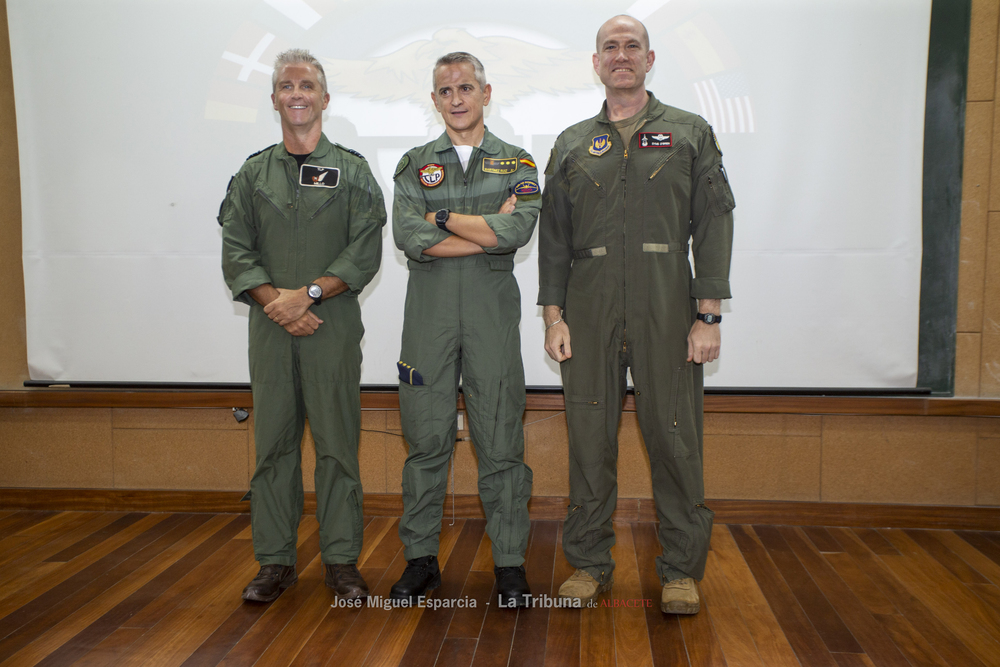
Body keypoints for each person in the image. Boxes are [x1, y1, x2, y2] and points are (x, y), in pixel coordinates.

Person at [537, 16, 734, 614]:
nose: (621, 56)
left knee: (675, 440)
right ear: (596, 63)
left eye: (632, 47)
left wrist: (709, 316)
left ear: (649, 60)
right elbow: (553, 239)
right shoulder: (572, 143)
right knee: (589, 441)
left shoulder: (689, 131)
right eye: (610, 48)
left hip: (667, 305)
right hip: (590, 308)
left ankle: (679, 571)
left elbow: (715, 220)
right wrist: (553, 317)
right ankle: (590, 564)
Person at [221, 49, 386, 603]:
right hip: (271, 330)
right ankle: (275, 561)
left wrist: (309, 294)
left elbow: (364, 249)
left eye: (308, 84)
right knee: (273, 448)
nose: (297, 93)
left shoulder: (354, 170)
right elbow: (237, 250)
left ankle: (341, 561)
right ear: (274, 99)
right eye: (286, 85)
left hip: (332, 326)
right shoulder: (252, 173)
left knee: (338, 446)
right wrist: (279, 305)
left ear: (324, 97)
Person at [391, 52, 540, 607]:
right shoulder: (413, 164)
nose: (456, 98)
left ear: (485, 92)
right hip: (427, 320)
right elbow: (409, 237)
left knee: (500, 440)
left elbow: (516, 230)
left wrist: (443, 219)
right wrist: (482, 228)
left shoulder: (517, 161)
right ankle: (421, 559)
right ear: (434, 99)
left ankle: (509, 566)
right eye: (445, 90)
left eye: (466, 88)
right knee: (426, 440)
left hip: (490, 318)